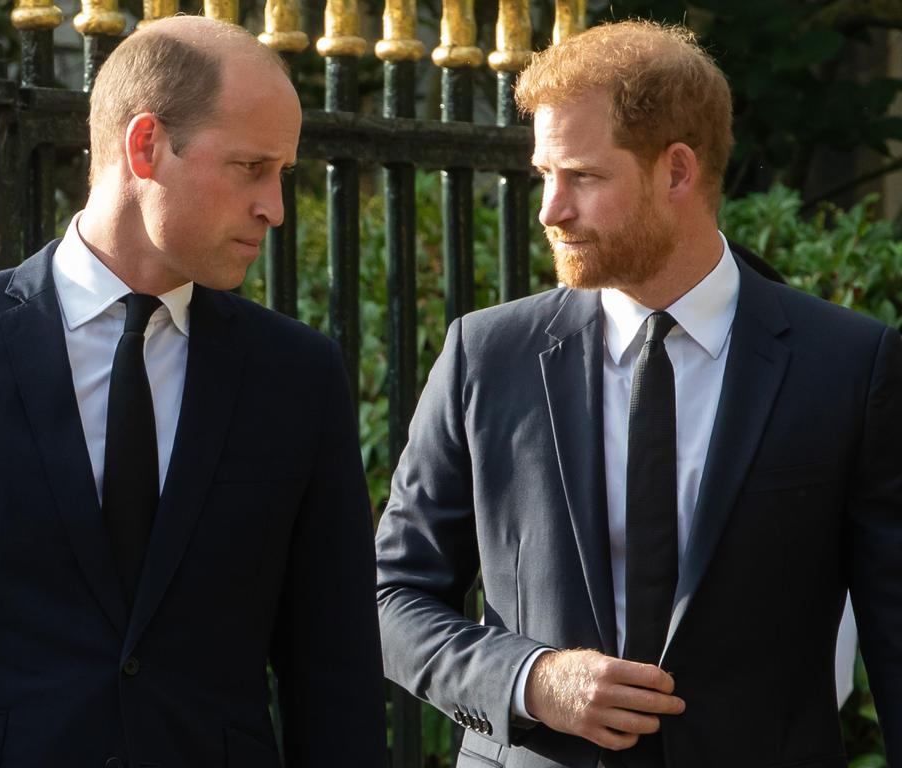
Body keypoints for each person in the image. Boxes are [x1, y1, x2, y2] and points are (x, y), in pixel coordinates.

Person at [375, 20, 902, 768]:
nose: (551, 210)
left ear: (678, 172)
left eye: (582, 176)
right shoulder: (486, 356)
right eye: (544, 175)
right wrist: (530, 679)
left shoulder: (848, 365)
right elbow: (389, 596)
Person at [0, 16, 386, 768]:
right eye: (251, 168)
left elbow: (335, 673)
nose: (275, 208)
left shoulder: (298, 377)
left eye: (284, 175)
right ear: (144, 146)